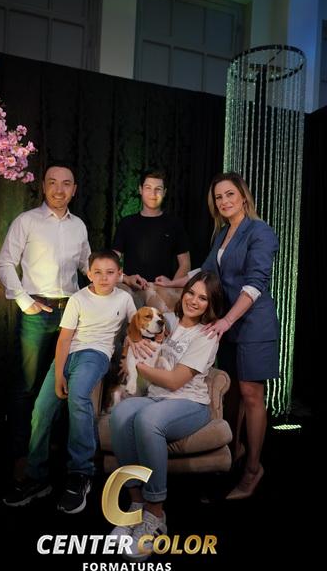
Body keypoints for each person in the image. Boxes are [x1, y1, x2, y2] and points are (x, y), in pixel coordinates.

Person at [155, 172, 279, 500]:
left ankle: (253, 469)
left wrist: (226, 320)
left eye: (229, 194)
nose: (224, 201)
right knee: (233, 393)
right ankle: (236, 451)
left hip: (253, 324)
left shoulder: (260, 231)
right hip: (228, 323)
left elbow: (255, 283)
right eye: (218, 197)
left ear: (243, 196)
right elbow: (206, 272)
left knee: (251, 394)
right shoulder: (224, 233)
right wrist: (171, 283)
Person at [3, 250, 136, 512]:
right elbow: (64, 339)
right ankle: (37, 476)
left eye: (110, 273)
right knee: (41, 409)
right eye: (97, 272)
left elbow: (136, 327)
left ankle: (80, 473)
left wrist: (128, 353)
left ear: (119, 275)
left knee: (78, 397)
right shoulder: (78, 298)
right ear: (89, 274)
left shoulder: (124, 298)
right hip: (68, 355)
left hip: (96, 354)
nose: (104, 278)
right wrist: (59, 375)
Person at [109, 271, 223, 561]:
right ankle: (135, 505)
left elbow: (174, 382)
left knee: (148, 421)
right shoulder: (168, 321)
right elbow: (140, 325)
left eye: (203, 298)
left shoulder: (207, 335)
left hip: (190, 403)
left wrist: (140, 366)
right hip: (156, 397)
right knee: (120, 414)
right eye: (191, 293)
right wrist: (133, 344)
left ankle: (155, 514)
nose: (193, 301)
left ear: (210, 304)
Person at [0, 161, 91, 477]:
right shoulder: (26, 221)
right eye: (52, 182)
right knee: (26, 386)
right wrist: (25, 302)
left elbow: (86, 266)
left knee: (63, 384)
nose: (59, 189)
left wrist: (117, 276)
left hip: (71, 314)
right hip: (36, 313)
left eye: (66, 183)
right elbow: (4, 263)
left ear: (74, 190)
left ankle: (53, 451)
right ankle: (21, 455)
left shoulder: (79, 226)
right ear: (43, 186)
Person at [112, 171, 191, 296]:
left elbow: (185, 264)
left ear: (164, 192)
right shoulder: (126, 223)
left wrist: (171, 287)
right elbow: (112, 261)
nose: (153, 194)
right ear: (140, 190)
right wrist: (126, 278)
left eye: (158, 189)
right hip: (130, 289)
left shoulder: (175, 224)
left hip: (162, 291)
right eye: (148, 188)